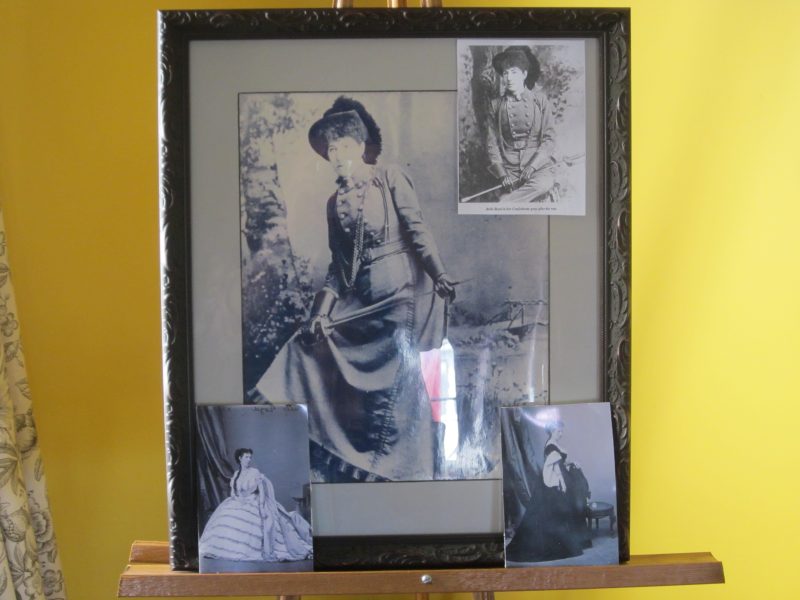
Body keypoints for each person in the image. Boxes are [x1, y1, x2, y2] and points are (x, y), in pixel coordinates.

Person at [255, 96, 456, 483]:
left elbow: (417, 230)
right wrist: (320, 314)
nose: (337, 155)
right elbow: (338, 267)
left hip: (400, 295)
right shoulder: (334, 204)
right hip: (358, 298)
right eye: (331, 149)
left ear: (361, 146)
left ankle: (391, 468)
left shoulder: (390, 178)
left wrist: (440, 274)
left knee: (392, 385)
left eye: (344, 145)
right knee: (306, 344)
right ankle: (347, 457)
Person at [199, 448, 312, 562]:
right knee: (227, 517)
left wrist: (262, 507)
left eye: (250, 457)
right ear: (240, 458)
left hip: (254, 501)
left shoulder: (254, 472)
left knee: (255, 522)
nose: (249, 459)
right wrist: (238, 499)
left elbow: (261, 491)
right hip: (239, 501)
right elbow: (233, 492)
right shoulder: (236, 474)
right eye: (246, 457)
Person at [505, 421, 590, 562]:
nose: (560, 434)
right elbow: (555, 467)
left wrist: (572, 463)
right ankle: (562, 544)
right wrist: (562, 483)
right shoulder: (550, 446)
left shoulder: (554, 444)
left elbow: (561, 462)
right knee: (554, 514)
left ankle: (573, 541)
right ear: (551, 431)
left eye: (561, 431)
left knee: (564, 510)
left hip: (561, 477)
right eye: (558, 431)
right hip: (554, 481)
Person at [485, 46, 558, 203]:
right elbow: (492, 143)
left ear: (524, 74)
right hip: (509, 167)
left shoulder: (540, 101)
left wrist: (533, 166)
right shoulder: (495, 105)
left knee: (543, 184)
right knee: (502, 190)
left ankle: (505, 203)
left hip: (537, 165)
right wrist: (502, 174)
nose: (509, 78)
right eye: (505, 73)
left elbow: (549, 139)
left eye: (514, 72)